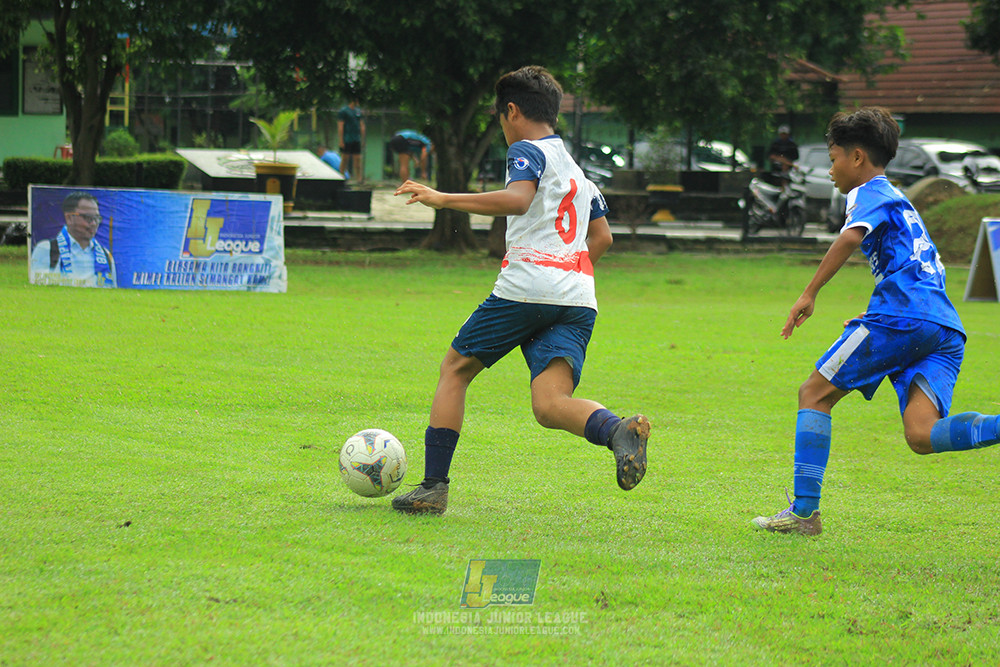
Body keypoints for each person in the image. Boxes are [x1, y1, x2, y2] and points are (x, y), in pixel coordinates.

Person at [391, 65, 650, 516]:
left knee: (455, 369)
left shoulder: (526, 150)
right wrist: (567, 274)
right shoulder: (578, 172)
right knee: (550, 405)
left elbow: (517, 200)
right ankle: (617, 430)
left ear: (511, 111)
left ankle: (433, 488)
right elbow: (603, 238)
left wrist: (444, 198)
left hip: (527, 288)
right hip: (577, 298)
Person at [752, 107, 1000, 536]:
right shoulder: (901, 202)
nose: (830, 170)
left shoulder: (868, 191)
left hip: (903, 319)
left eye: (833, 160)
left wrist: (810, 292)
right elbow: (915, 270)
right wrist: (880, 315)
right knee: (922, 435)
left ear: (858, 158)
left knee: (813, 393)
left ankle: (805, 513)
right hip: (943, 327)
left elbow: (851, 236)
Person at [30, 191, 117, 288]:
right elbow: (37, 289)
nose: (93, 223)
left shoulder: (106, 256)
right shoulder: (46, 249)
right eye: (88, 218)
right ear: (69, 218)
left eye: (97, 218)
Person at [337, 99, 365, 182]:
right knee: (345, 158)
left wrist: (362, 138)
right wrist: (341, 140)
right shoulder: (344, 111)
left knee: (358, 159)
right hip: (347, 138)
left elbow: (361, 125)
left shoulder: (358, 111)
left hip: (356, 138)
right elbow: (340, 126)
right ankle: (341, 176)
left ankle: (359, 178)